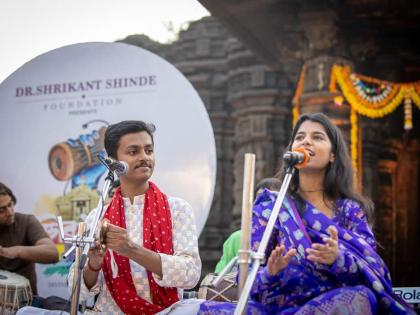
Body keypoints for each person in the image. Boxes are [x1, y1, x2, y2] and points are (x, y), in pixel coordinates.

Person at [199, 112, 414, 314]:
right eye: (300, 137)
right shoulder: (272, 206)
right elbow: (246, 284)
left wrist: (337, 259)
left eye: (317, 137)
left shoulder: (350, 210)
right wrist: (270, 272)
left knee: (359, 297)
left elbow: (373, 271)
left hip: (333, 305)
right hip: (278, 308)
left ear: (332, 155)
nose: (306, 141)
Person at [67, 120, 201, 314]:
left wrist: (130, 249)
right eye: (133, 152)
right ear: (112, 161)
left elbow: (190, 274)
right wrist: (93, 266)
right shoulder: (96, 218)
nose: (144, 157)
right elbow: (75, 291)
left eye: (149, 150)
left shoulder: (178, 209)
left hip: (167, 311)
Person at [0, 182, 59, 297]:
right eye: (1, 210)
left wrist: (15, 251)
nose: (10, 212)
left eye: (10, 204)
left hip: (26, 301)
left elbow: (53, 253)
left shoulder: (26, 221)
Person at [214, 178, 281, 274]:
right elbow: (218, 278)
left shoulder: (289, 240)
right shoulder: (238, 238)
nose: (265, 206)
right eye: (261, 199)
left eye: (272, 199)